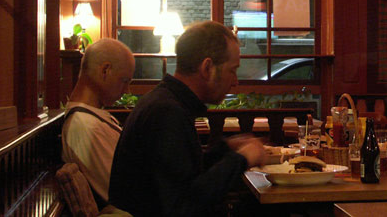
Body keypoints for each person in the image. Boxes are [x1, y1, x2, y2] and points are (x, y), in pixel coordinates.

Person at [109, 20, 265, 216]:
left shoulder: (165, 101)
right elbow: (185, 204)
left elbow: (181, 175)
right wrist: (242, 159)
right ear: (207, 68)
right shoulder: (166, 113)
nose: (235, 81)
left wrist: (225, 150)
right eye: (232, 70)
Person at [61, 38, 135, 205]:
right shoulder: (85, 126)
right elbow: (124, 193)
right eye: (124, 81)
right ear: (105, 70)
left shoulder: (92, 118)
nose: (127, 90)